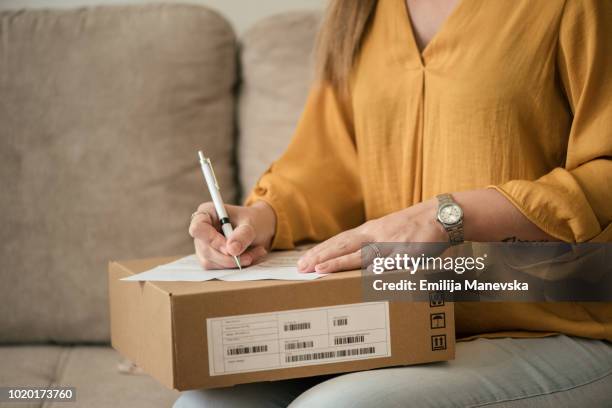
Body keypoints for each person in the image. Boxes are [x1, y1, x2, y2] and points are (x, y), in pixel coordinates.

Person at [177, 0, 612, 406]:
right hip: (397, 321)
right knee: (202, 402)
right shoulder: (361, 12)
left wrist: (448, 216)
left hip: (554, 318)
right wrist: (261, 218)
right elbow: (331, 165)